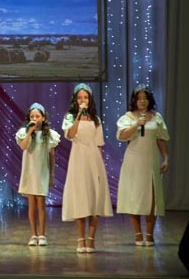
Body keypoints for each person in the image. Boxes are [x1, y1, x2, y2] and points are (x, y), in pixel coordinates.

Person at [61, 83, 113, 253]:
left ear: (90, 99)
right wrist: (78, 115)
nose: (83, 100)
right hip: (78, 159)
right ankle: (80, 240)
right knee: (80, 197)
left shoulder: (96, 119)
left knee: (93, 198)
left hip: (93, 159)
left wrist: (101, 167)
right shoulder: (69, 117)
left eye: (85, 97)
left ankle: (91, 240)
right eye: (79, 98)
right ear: (75, 100)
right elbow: (70, 134)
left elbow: (99, 144)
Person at [116, 84, 170, 247]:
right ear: (134, 100)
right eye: (139, 99)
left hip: (150, 161)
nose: (142, 101)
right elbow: (122, 136)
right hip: (133, 161)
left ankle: (150, 235)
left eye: (145, 98)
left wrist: (166, 158)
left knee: (152, 197)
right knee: (134, 197)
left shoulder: (156, 117)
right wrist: (136, 124)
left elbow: (161, 138)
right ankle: (138, 235)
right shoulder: (128, 117)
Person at [15, 102, 60, 246]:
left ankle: (42, 234)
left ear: (43, 118)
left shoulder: (49, 135)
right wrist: (29, 132)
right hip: (29, 171)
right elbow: (23, 146)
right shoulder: (24, 132)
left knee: (41, 203)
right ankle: (33, 234)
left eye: (37, 116)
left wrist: (52, 175)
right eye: (32, 116)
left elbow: (52, 156)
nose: (34, 118)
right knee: (31, 204)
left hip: (42, 171)